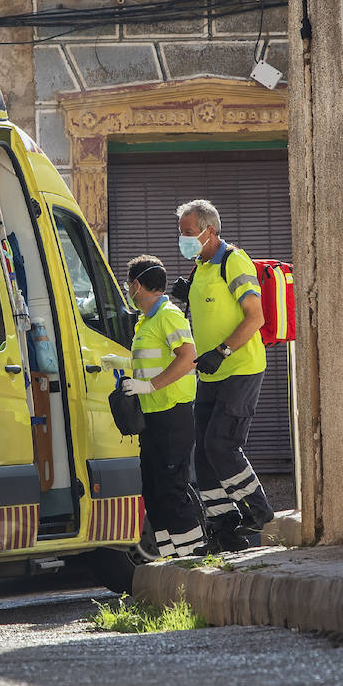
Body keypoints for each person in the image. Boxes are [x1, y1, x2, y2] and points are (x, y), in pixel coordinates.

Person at [171, 200, 274, 552]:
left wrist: (222, 351)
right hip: (211, 374)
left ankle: (257, 511)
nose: (182, 239)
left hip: (240, 368)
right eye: (181, 232)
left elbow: (255, 317)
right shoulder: (201, 266)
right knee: (203, 454)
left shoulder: (234, 261)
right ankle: (224, 528)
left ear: (209, 231)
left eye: (188, 233)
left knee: (221, 444)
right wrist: (190, 293)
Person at [120, 255, 206, 559]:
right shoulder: (147, 320)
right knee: (154, 491)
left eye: (129, 283)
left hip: (172, 412)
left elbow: (188, 357)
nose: (128, 289)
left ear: (138, 284)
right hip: (152, 416)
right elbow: (152, 361)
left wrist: (149, 386)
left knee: (171, 488)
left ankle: (194, 555)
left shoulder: (168, 315)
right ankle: (170, 558)